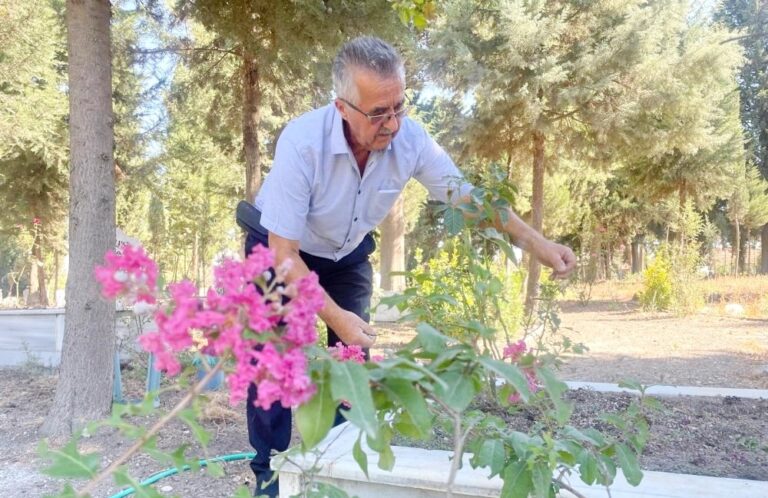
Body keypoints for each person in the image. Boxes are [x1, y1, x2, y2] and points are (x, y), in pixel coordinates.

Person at [242, 36, 576, 497]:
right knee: (273, 362)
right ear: (342, 107)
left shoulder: (411, 139)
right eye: (378, 113)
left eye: (399, 106)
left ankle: (334, 471)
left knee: (350, 366)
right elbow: (284, 255)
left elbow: (470, 199)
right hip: (283, 249)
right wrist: (336, 316)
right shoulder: (302, 142)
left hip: (346, 252)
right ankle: (269, 475)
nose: (393, 123)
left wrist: (537, 242)